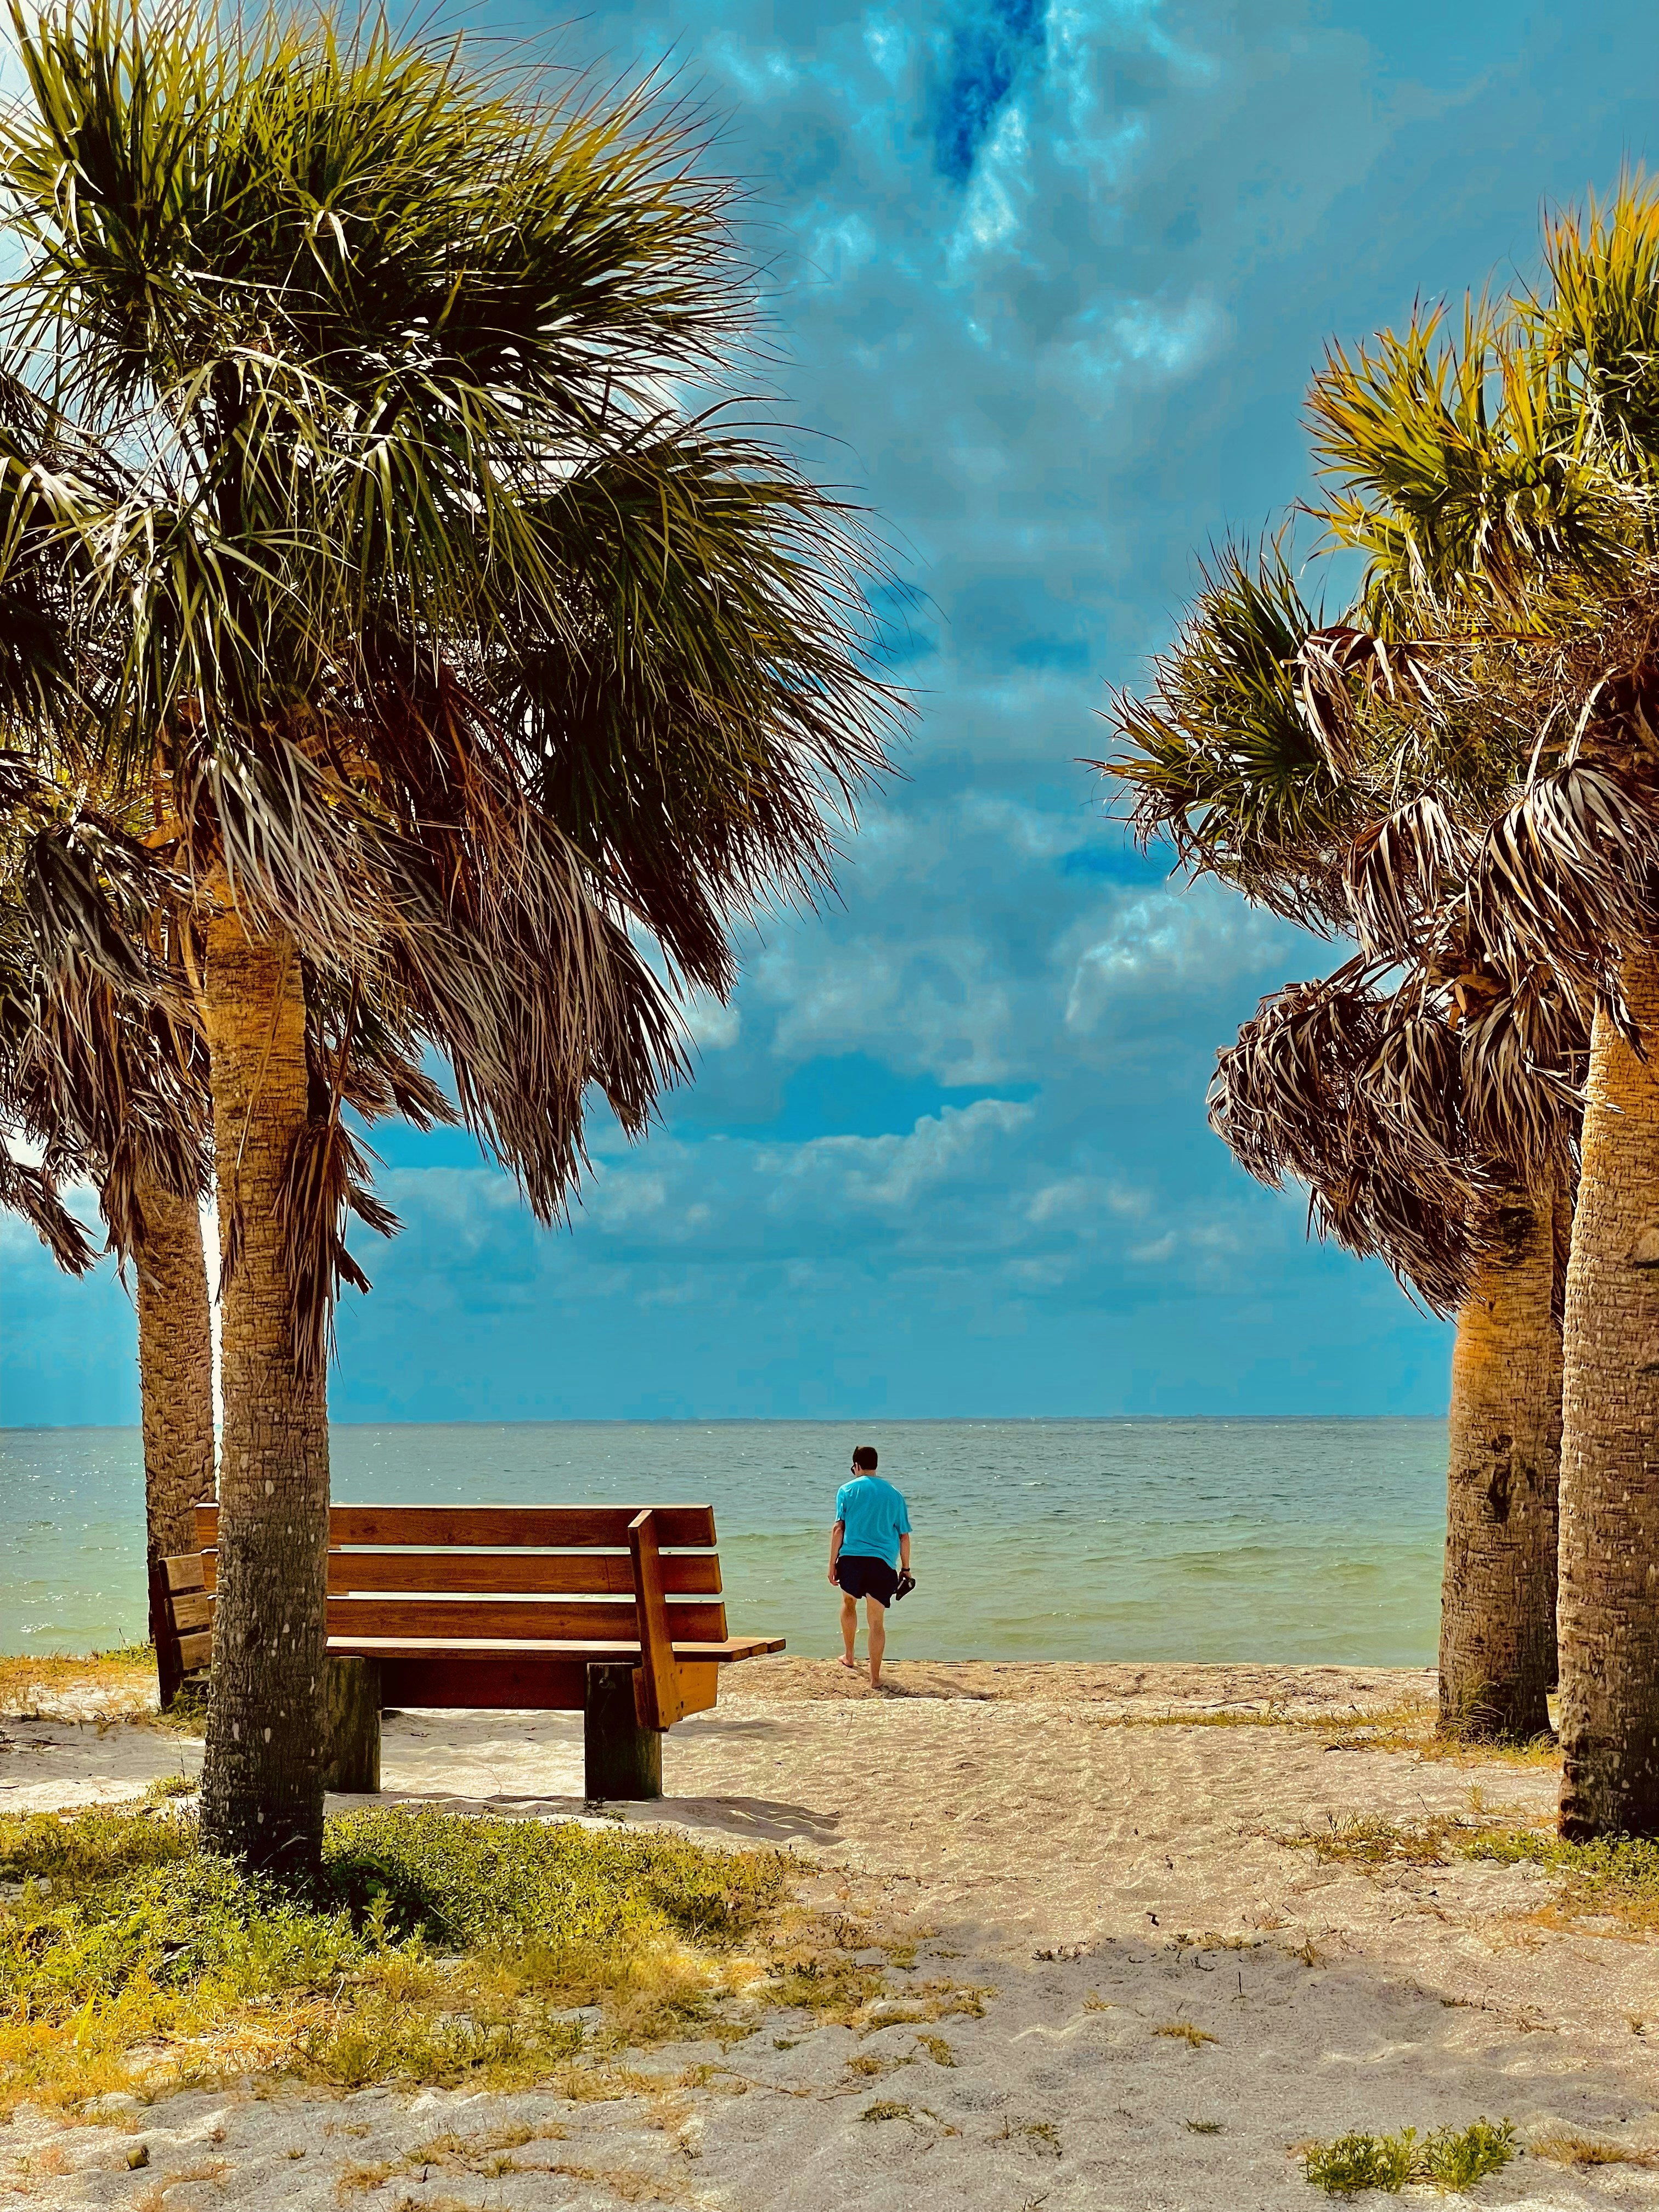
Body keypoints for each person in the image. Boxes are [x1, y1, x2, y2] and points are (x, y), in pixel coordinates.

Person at [828, 1444, 912, 1688]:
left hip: (851, 1560)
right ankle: (875, 1678)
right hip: (882, 1563)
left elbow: (838, 1529)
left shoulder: (846, 1490)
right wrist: (906, 1569)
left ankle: (850, 1656)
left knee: (848, 1603)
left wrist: (832, 1563)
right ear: (875, 1465)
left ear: (856, 1466)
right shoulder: (894, 1494)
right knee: (876, 1622)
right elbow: (904, 1536)